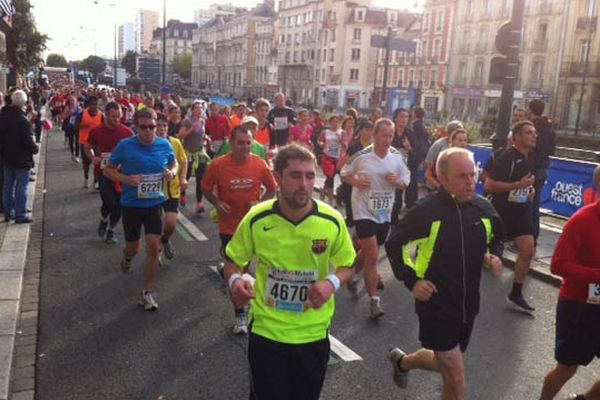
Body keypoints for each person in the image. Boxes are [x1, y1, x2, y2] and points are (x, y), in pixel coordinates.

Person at [223, 144, 356, 400]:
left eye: (309, 175)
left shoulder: (330, 220)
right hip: (267, 332)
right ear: (277, 177)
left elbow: (348, 264)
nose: (304, 184)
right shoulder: (257, 218)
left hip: (313, 333)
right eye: (295, 176)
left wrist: (331, 282)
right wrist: (235, 281)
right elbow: (232, 260)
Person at [385, 147, 505, 400]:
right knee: (456, 374)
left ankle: (404, 362)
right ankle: (405, 362)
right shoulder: (426, 212)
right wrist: (413, 281)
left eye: (473, 175)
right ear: (442, 178)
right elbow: (395, 244)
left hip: (468, 303)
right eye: (462, 176)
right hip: (436, 303)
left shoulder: (482, 208)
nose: (470, 182)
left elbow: (497, 236)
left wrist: (493, 255)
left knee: (447, 365)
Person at [202, 125, 277, 334]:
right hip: (229, 224)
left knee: (244, 266)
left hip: (252, 225)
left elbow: (272, 188)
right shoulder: (218, 165)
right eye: (240, 142)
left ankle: (226, 268)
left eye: (248, 142)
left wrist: (260, 203)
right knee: (239, 268)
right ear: (231, 143)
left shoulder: (259, 164)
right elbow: (205, 187)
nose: (245, 146)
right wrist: (217, 203)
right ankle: (240, 315)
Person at [103, 109, 177, 311]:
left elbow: (173, 162)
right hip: (131, 205)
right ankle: (127, 257)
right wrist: (127, 179)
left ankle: (148, 292)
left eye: (152, 127)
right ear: (136, 127)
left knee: (153, 247)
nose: (148, 131)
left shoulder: (164, 144)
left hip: (154, 204)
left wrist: (172, 172)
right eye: (143, 127)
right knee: (134, 248)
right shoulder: (125, 146)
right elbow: (108, 170)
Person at [539, 170, 600, 400]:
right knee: (566, 369)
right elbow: (558, 265)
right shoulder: (582, 220)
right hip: (579, 307)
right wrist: (596, 275)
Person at [341, 118, 411, 318]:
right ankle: (374, 302)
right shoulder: (362, 156)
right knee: (372, 256)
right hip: (363, 210)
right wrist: (357, 181)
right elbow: (344, 173)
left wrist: (397, 181)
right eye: (384, 135)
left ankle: (351, 274)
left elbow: (406, 181)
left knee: (369, 250)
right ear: (374, 135)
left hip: (384, 212)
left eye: (390, 136)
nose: (388, 140)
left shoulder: (397, 157)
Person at [485, 120, 537, 312]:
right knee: (480, 252)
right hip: (501, 210)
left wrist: (528, 190)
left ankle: (516, 292)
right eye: (529, 132)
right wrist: (518, 186)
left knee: (528, 249)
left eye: (534, 132)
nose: (534, 136)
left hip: (521, 209)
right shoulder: (507, 157)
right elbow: (489, 185)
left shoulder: (530, 157)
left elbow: (524, 182)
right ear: (516, 137)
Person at [85, 102, 134, 243]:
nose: (116, 119)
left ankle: (111, 231)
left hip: (121, 175)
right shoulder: (97, 131)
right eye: (113, 116)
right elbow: (87, 148)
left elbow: (134, 152)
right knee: (109, 203)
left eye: (119, 116)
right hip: (104, 173)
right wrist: (93, 158)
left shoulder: (127, 132)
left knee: (119, 207)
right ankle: (104, 219)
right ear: (106, 115)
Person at [0, 90, 39, 223]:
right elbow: (27, 140)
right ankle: (20, 214)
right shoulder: (22, 120)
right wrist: (35, 148)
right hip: (21, 158)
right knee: (21, 187)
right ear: (23, 103)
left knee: (7, 186)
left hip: (6, 156)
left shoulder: (3, 115)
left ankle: (8, 211)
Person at [156, 113, 187, 260]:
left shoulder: (175, 142)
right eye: (158, 126)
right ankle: (156, 251)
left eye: (164, 126)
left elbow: (183, 161)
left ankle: (165, 239)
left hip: (172, 190)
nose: (161, 129)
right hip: (153, 192)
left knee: (170, 224)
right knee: (154, 226)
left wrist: (182, 178)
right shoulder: (147, 144)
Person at [528, 99, 556, 245]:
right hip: (544, 167)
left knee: (526, 203)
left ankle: (526, 236)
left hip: (531, 168)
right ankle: (534, 236)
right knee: (536, 202)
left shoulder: (532, 127)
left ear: (531, 110)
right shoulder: (550, 128)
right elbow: (552, 150)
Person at [177, 100, 208, 213]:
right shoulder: (187, 121)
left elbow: (201, 134)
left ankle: (199, 204)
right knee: (187, 176)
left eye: (201, 108)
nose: (199, 110)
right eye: (197, 108)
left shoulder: (203, 121)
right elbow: (180, 136)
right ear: (192, 110)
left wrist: (205, 138)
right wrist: (191, 129)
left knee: (201, 179)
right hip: (189, 152)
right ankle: (182, 195)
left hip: (200, 152)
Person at [75, 96, 104, 189]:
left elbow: (104, 128)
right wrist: (83, 126)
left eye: (96, 104)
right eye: (92, 104)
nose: (94, 106)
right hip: (85, 142)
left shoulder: (101, 115)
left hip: (97, 142)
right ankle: (86, 178)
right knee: (86, 163)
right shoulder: (81, 114)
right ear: (88, 105)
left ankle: (96, 181)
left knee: (97, 162)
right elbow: (75, 126)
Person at [318, 115, 343, 207]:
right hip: (328, 157)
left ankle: (323, 189)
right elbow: (319, 140)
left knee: (340, 177)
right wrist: (321, 144)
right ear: (330, 122)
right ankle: (332, 201)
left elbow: (345, 144)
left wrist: (340, 138)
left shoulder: (341, 132)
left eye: (337, 121)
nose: (335, 123)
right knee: (330, 178)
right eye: (333, 121)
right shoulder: (326, 132)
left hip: (338, 158)